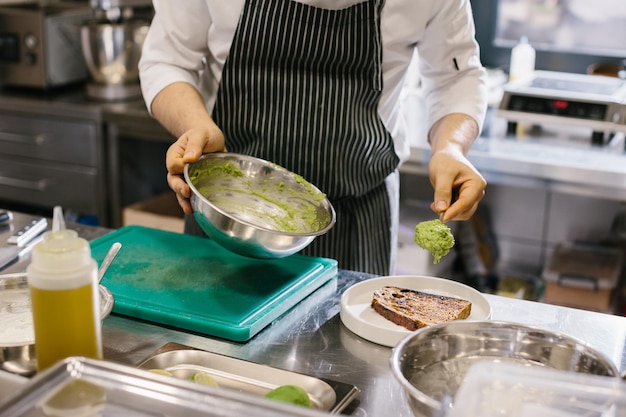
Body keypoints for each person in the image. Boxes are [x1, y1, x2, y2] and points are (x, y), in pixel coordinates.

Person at [138, 0, 488, 276]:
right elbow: (167, 60)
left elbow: (454, 77)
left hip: (356, 219)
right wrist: (195, 126)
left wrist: (451, 147)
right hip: (226, 216)